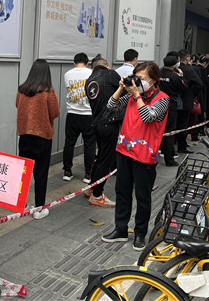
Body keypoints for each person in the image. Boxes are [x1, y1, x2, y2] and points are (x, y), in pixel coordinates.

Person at [102, 62, 170, 251]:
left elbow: (148, 116)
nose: (137, 82)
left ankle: (140, 233)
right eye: (136, 77)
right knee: (122, 192)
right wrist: (121, 88)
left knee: (142, 196)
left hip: (145, 155)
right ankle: (120, 229)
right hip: (125, 150)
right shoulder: (132, 95)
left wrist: (137, 95)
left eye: (141, 79)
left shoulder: (162, 99)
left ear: (154, 80)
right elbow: (111, 106)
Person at [16, 59, 60, 220]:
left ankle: (20, 206)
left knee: (23, 172)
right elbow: (55, 112)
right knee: (40, 173)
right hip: (42, 137)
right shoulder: (48, 92)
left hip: (24, 136)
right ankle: (39, 208)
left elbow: (17, 105)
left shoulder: (22, 90)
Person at [84, 58, 121, 207]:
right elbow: (125, 90)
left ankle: (92, 187)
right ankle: (97, 195)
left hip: (97, 122)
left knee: (100, 157)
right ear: (107, 66)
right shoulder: (110, 74)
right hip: (109, 122)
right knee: (106, 160)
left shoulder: (89, 80)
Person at [62, 53, 95, 183]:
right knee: (89, 145)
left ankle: (67, 171)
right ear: (87, 63)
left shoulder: (67, 74)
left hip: (72, 114)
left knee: (69, 143)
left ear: (74, 63)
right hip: (88, 114)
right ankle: (88, 174)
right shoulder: (92, 73)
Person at [158, 54, 187, 166]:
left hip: (158, 103)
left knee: (157, 129)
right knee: (169, 131)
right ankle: (169, 158)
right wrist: (182, 77)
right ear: (174, 65)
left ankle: (156, 152)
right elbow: (184, 88)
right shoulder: (175, 77)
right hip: (170, 105)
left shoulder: (158, 74)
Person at [175, 50, 202, 154]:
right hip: (186, 99)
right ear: (187, 58)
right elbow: (199, 83)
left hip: (174, 99)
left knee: (175, 123)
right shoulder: (189, 69)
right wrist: (192, 93)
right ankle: (182, 146)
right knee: (183, 124)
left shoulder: (174, 69)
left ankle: (176, 142)